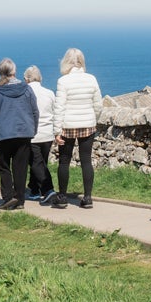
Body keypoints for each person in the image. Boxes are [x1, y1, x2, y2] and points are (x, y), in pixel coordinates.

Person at [0, 58, 39, 210]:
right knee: (21, 167)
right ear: (14, 72)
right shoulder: (27, 89)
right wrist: (33, 129)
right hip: (24, 133)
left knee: (4, 166)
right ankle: (20, 200)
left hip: (5, 133)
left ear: (0, 73)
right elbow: (34, 111)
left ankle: (8, 197)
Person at [51, 47, 103, 210]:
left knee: (64, 161)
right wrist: (93, 118)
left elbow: (59, 107)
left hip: (68, 126)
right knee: (86, 161)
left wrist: (56, 131)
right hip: (88, 124)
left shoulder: (63, 81)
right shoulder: (91, 79)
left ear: (66, 62)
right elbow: (98, 105)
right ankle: (87, 198)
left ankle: (62, 197)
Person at [23, 65, 57, 203]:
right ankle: (34, 190)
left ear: (26, 79)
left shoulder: (25, 93)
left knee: (37, 164)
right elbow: (55, 111)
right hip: (48, 133)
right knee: (41, 162)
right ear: (40, 78)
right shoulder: (49, 93)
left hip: (32, 134)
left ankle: (48, 190)